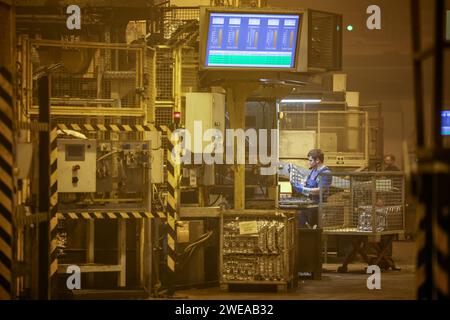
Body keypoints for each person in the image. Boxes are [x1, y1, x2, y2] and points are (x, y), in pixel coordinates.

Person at [290, 149, 332, 228]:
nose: (308, 162)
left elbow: (320, 190)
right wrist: (301, 183)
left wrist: (303, 189)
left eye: (310, 160)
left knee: (314, 229)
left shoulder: (326, 173)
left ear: (317, 160)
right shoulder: (313, 170)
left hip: (318, 207)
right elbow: (308, 184)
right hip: (309, 204)